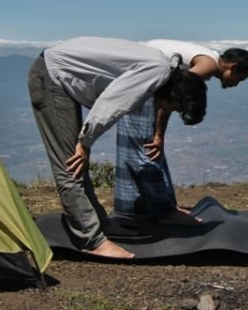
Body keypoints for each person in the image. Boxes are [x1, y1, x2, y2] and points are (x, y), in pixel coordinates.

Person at [27, 37, 207, 258]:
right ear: (176, 95)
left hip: (60, 74)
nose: (166, 109)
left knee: (77, 159)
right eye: (176, 108)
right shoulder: (156, 72)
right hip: (52, 76)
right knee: (70, 163)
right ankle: (92, 240)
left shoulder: (162, 68)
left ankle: (100, 225)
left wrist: (86, 140)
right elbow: (113, 103)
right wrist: (85, 142)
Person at [114, 40, 248, 223]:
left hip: (142, 82)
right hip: (139, 85)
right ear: (233, 67)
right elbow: (174, 93)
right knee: (145, 152)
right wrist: (158, 134)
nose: (236, 84)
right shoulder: (208, 65)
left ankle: (151, 208)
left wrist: (159, 135)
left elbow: (169, 95)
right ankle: (162, 212)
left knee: (150, 149)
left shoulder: (204, 63)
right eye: (240, 78)